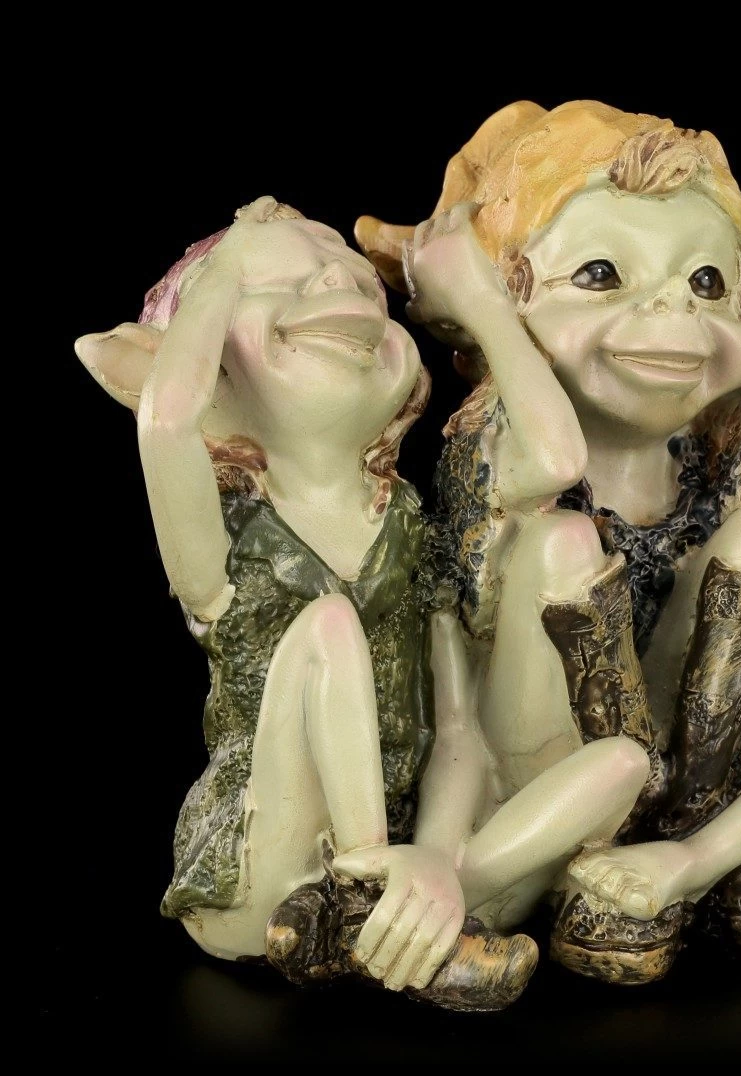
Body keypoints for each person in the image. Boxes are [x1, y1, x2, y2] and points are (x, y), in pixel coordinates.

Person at [359, 101, 741, 980]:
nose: (672, 313)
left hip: (664, 751)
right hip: (544, 770)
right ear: (509, 294)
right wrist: (480, 307)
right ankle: (583, 862)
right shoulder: (504, 443)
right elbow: (558, 456)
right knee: (562, 547)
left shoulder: (698, 455)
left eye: (704, 283)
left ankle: (688, 830)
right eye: (601, 273)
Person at [75, 197, 535, 1010]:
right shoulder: (226, 533)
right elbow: (168, 421)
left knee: (612, 766)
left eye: (362, 284)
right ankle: (366, 895)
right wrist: (227, 265)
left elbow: (456, 716)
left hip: (409, 831)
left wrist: (434, 847)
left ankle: (402, 903)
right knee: (328, 625)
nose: (336, 285)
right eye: (276, 285)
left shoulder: (405, 519)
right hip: (269, 852)